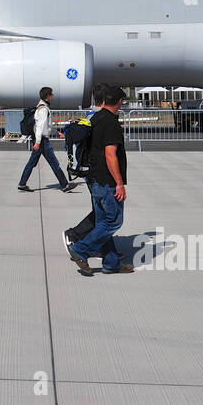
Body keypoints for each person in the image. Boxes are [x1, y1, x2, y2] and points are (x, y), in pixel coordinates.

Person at [67, 85, 133, 275]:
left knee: (102, 221)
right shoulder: (111, 122)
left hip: (93, 178)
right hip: (107, 181)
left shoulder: (94, 117)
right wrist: (119, 183)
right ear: (119, 101)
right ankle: (80, 249)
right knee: (113, 221)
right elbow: (110, 155)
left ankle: (111, 264)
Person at [18, 86, 75, 193]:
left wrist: (56, 132)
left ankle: (22, 183)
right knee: (54, 163)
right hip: (42, 141)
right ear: (48, 96)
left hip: (40, 140)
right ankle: (65, 185)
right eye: (51, 94)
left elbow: (46, 126)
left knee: (32, 163)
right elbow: (40, 126)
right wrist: (38, 142)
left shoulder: (40, 107)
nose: (52, 96)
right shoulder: (44, 109)